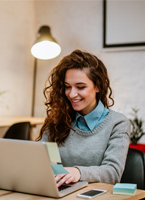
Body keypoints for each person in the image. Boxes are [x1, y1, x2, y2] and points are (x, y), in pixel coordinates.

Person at [36, 49, 131, 187]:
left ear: (98, 86)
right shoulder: (58, 119)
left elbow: (113, 172)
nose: (72, 94)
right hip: (60, 194)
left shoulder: (117, 123)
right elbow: (43, 156)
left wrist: (77, 172)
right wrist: (46, 163)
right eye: (67, 87)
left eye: (80, 87)